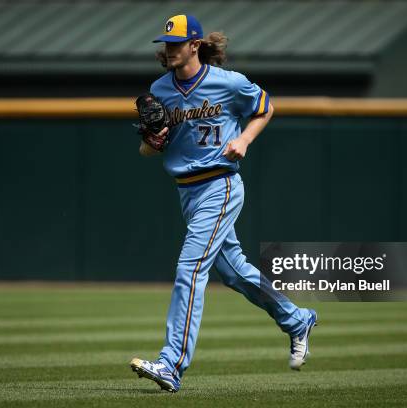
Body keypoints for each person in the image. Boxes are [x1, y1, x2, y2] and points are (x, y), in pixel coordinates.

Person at [130, 14, 317, 393]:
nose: (169, 50)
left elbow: (265, 106)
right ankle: (297, 319)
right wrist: (154, 141)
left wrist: (245, 139)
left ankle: (171, 364)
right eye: (165, 44)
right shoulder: (160, 90)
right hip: (187, 191)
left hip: (221, 184)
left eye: (176, 44)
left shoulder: (227, 83)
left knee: (190, 266)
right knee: (233, 273)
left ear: (195, 45)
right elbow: (147, 151)